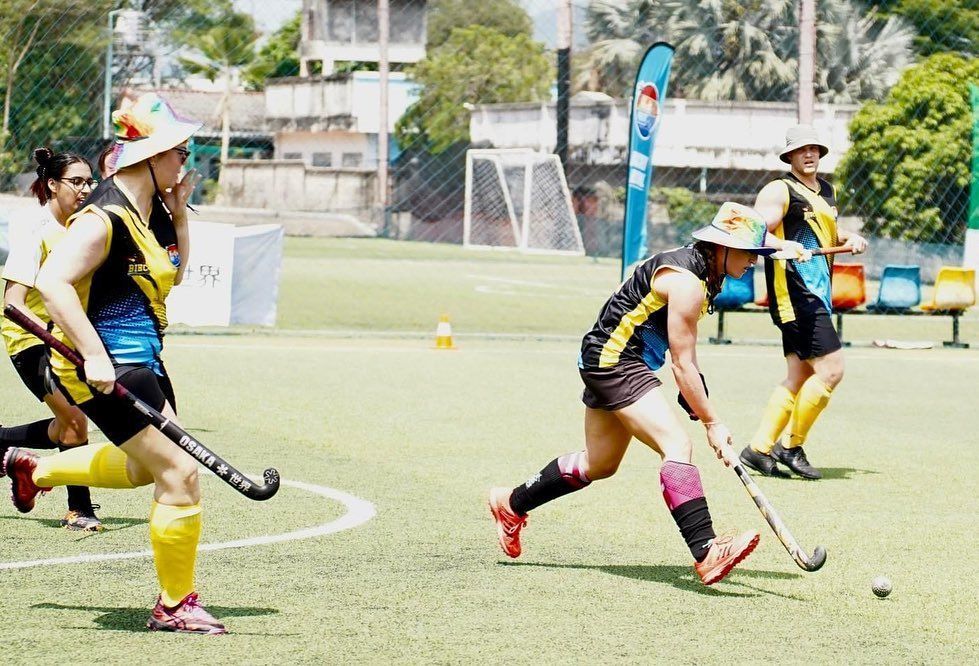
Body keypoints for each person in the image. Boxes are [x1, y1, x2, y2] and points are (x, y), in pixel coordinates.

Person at [1, 92, 222, 634]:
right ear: (152, 154)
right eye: (180, 152)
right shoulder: (103, 216)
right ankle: (175, 606)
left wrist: (178, 215)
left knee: (144, 468)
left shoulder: (152, 214)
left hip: (144, 361)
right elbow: (52, 284)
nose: (185, 162)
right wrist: (95, 356)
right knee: (180, 472)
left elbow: (176, 274)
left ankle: (34, 466)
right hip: (105, 366)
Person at [489, 202, 776, 586]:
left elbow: (683, 359)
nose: (755, 261)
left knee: (600, 463)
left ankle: (511, 503)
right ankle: (706, 551)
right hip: (615, 359)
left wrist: (695, 400)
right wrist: (712, 422)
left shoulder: (702, 272)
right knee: (676, 444)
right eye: (749, 252)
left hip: (604, 356)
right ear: (720, 247)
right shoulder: (688, 281)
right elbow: (682, 363)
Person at [738, 125, 867, 480]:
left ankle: (759, 449)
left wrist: (849, 238)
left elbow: (827, 233)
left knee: (800, 374)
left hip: (817, 291)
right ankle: (790, 446)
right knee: (832, 369)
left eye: (815, 149)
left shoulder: (826, 190)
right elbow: (753, 232)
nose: (809, 154)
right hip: (794, 293)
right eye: (802, 150)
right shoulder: (779, 190)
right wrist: (783, 245)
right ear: (790, 156)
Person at [0, 147, 102, 531]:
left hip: (67, 338)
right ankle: (79, 509)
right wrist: (53, 341)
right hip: (30, 339)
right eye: (75, 182)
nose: (84, 189)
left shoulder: (88, 229)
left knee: (67, 426)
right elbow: (13, 303)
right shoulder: (37, 232)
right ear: (52, 185)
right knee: (75, 421)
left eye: (88, 182)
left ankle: (8, 453)